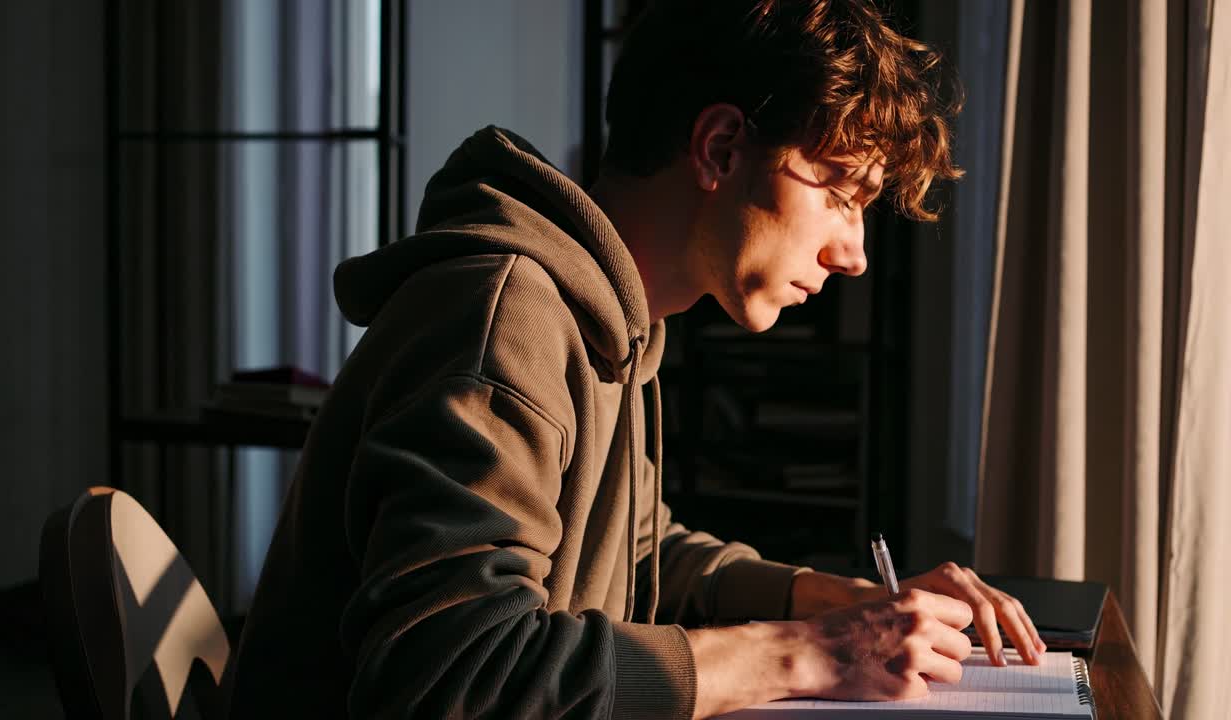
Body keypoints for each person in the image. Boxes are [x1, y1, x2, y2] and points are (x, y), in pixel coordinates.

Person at [228, 1, 1046, 718]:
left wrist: (838, 603)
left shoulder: (611, 323)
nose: (854, 254)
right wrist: (808, 651)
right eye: (838, 191)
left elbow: (640, 551)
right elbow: (457, 675)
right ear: (721, 148)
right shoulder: (504, 320)